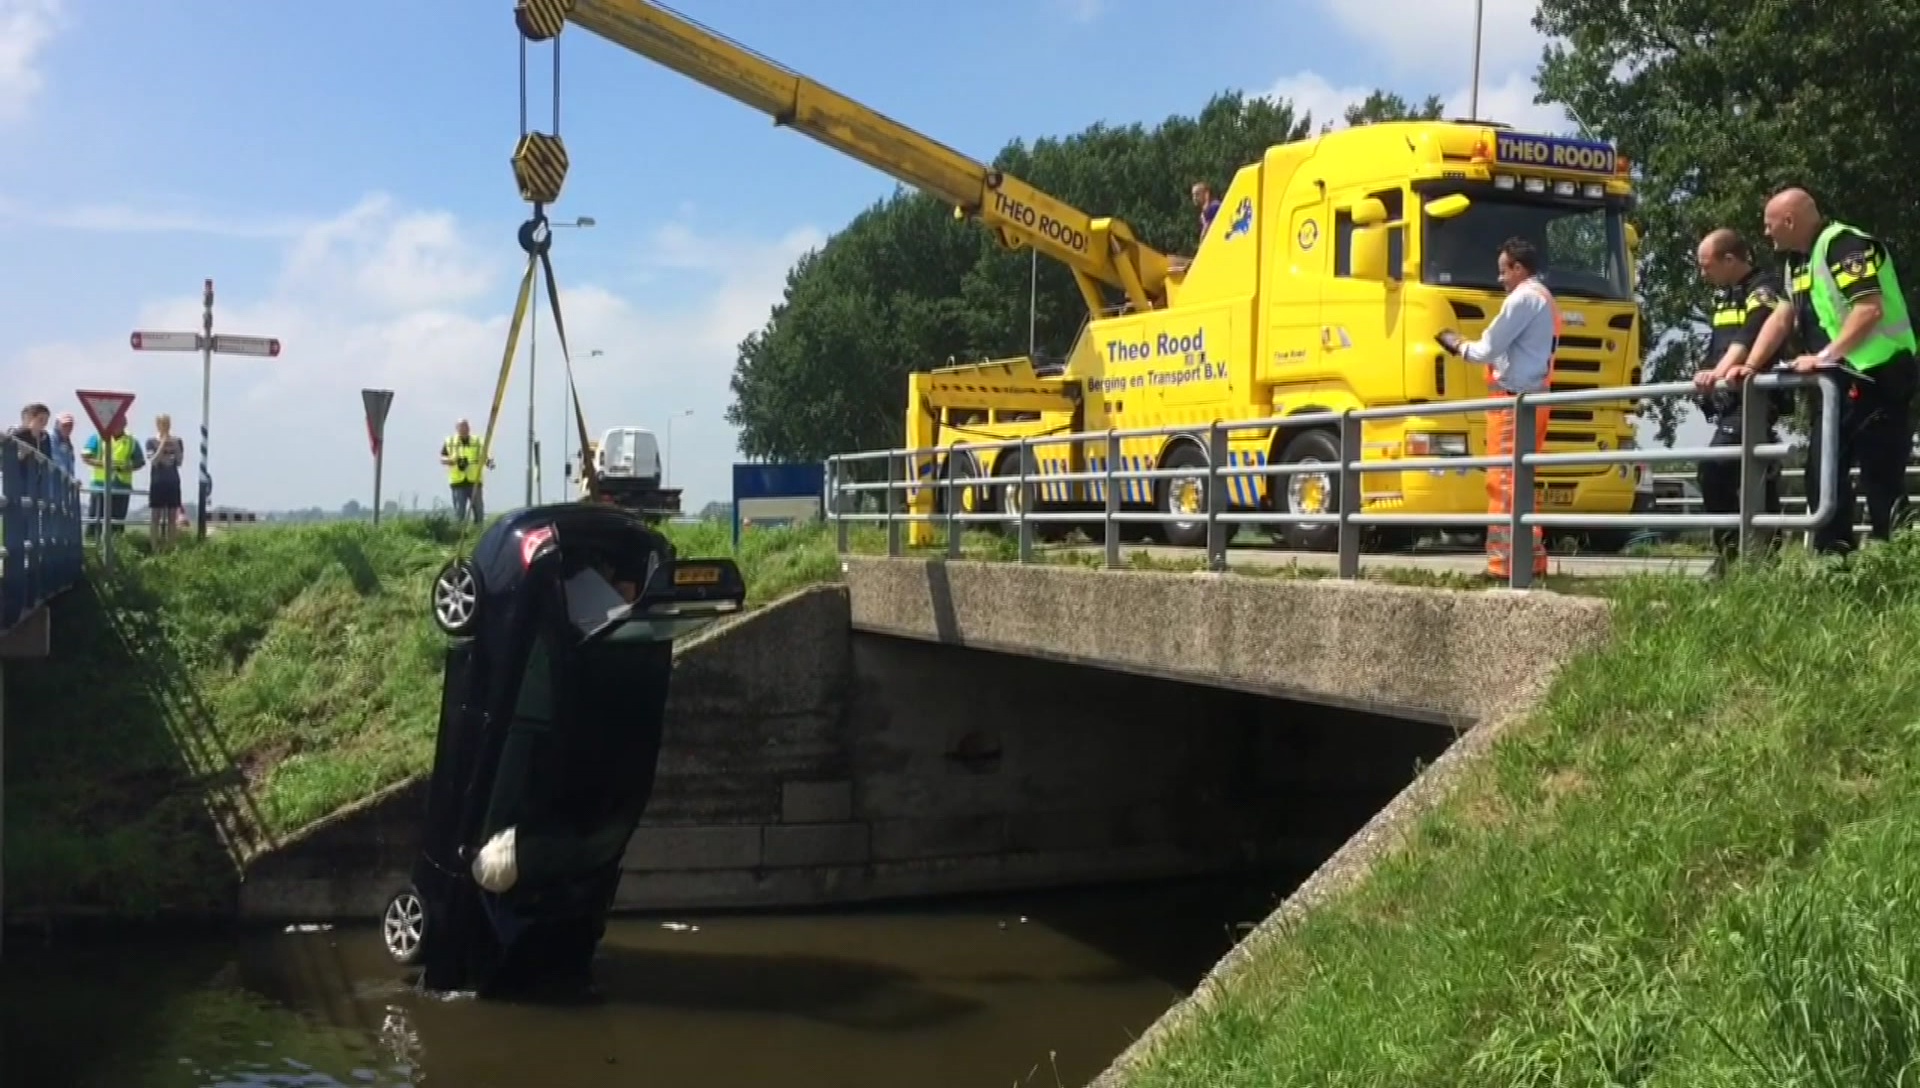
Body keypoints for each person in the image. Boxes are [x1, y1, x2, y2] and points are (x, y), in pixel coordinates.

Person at [1746, 187, 1918, 555]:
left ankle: (1900, 565)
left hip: (1879, 376)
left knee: (1881, 480)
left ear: (1789, 220)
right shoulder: (1798, 262)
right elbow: (1783, 315)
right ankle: (1834, 565)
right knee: (1822, 476)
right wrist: (1749, 366)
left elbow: (1869, 309)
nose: (1765, 232)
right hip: (1839, 382)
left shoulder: (1844, 245)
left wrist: (1824, 356)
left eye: (1769, 223)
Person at [1435, 236, 1559, 580]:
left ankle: (1504, 565)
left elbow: (1485, 350)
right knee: (1521, 482)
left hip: (1512, 402)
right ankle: (1531, 561)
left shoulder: (1521, 300)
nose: (1500, 278)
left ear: (1519, 268)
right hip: (1534, 399)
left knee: (1503, 482)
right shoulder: (1545, 298)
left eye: (1503, 271)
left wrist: (1457, 344)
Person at [1688, 228, 1792, 570]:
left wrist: (1716, 373)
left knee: (1715, 470)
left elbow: (1750, 334)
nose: (1703, 274)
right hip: (1729, 402)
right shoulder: (1724, 295)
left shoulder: (1763, 288)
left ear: (1730, 259)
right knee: (1750, 473)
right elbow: (1718, 343)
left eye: (1707, 266)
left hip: (1755, 397)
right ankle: (1757, 556)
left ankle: (1734, 553)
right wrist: (1705, 373)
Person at [81, 417, 142, 541]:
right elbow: (86, 456)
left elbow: (140, 461)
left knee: (117, 521)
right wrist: (104, 464)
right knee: (95, 519)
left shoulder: (131, 440)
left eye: (120, 423)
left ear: (125, 424)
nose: (117, 426)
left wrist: (128, 466)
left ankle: (116, 548)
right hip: (100, 485)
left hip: (121, 485)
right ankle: (92, 547)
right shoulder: (98, 437)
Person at [440, 419, 493, 526]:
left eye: (466, 427)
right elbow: (442, 458)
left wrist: (489, 463)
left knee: (479, 511)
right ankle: (459, 535)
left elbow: (485, 456)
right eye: (462, 427)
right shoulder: (450, 441)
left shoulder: (477, 441)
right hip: (458, 482)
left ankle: (478, 534)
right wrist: (449, 461)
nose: (465, 430)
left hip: (474, 481)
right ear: (457, 429)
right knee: (460, 512)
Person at [144, 414, 186, 551]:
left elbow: (179, 462)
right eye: (162, 423)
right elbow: (154, 461)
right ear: (157, 424)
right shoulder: (151, 442)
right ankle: (154, 547)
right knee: (155, 516)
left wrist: (175, 446)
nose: (165, 426)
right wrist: (162, 444)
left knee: (172, 517)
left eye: (167, 423)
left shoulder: (177, 441)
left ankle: (171, 547)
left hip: (173, 481)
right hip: (157, 482)